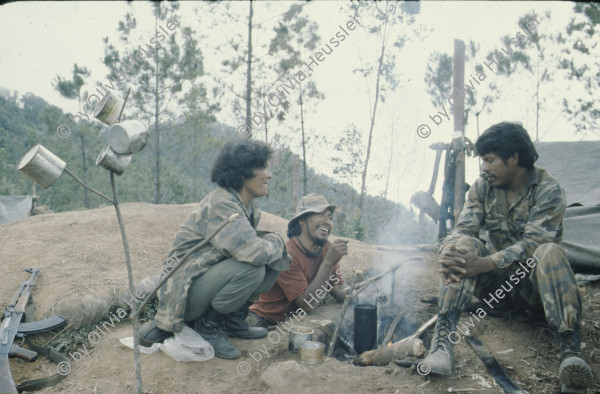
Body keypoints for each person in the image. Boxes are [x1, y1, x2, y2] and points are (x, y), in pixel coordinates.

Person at [421, 122, 592, 393]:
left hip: (536, 291)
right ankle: (442, 344)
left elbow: (535, 242)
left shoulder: (548, 189)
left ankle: (570, 350)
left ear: (514, 157)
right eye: (482, 161)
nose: (484, 168)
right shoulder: (482, 187)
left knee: (549, 251)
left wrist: (487, 262)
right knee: (464, 245)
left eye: (489, 160)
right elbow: (464, 228)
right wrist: (449, 251)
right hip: (498, 290)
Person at [139, 138, 291, 359]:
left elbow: (253, 250)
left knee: (277, 259)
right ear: (242, 173)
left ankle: (232, 319)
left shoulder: (247, 205)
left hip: (204, 279)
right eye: (262, 168)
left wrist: (275, 246)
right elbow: (255, 254)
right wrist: (276, 243)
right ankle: (207, 326)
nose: (269, 175)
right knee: (253, 268)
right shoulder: (222, 204)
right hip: (183, 291)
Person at [248, 193, 347, 327]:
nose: (326, 220)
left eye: (330, 217)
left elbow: (338, 289)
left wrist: (365, 295)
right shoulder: (287, 255)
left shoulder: (327, 247)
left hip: (292, 320)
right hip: (266, 320)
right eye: (319, 214)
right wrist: (329, 262)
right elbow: (306, 304)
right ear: (301, 220)